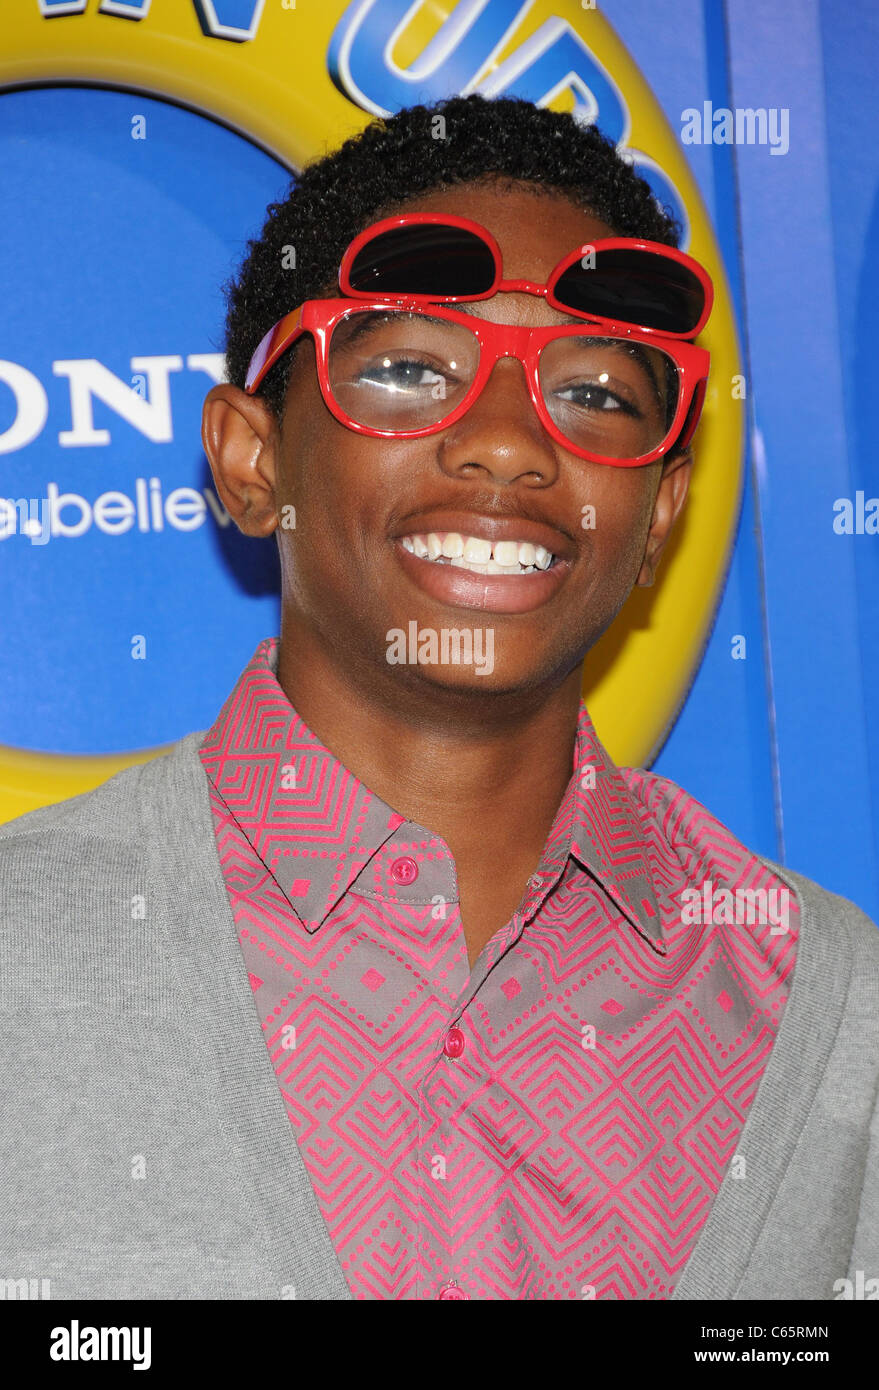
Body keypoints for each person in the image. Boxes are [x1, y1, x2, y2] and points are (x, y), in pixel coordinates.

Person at [1, 95, 876, 1303]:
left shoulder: (834, 1010)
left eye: (597, 396)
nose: (511, 442)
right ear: (253, 460)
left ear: (659, 513)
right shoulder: (22, 953)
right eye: (411, 369)